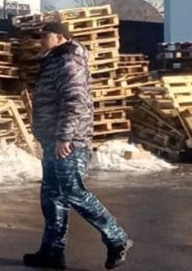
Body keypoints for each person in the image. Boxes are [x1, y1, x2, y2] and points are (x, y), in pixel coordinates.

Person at [24, 21, 132, 270]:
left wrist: (65, 136)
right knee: (52, 196)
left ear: (61, 37)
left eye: (45, 35)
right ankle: (52, 252)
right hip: (53, 139)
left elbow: (75, 101)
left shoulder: (69, 61)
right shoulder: (54, 59)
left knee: (73, 191)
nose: (40, 39)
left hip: (69, 141)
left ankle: (118, 238)